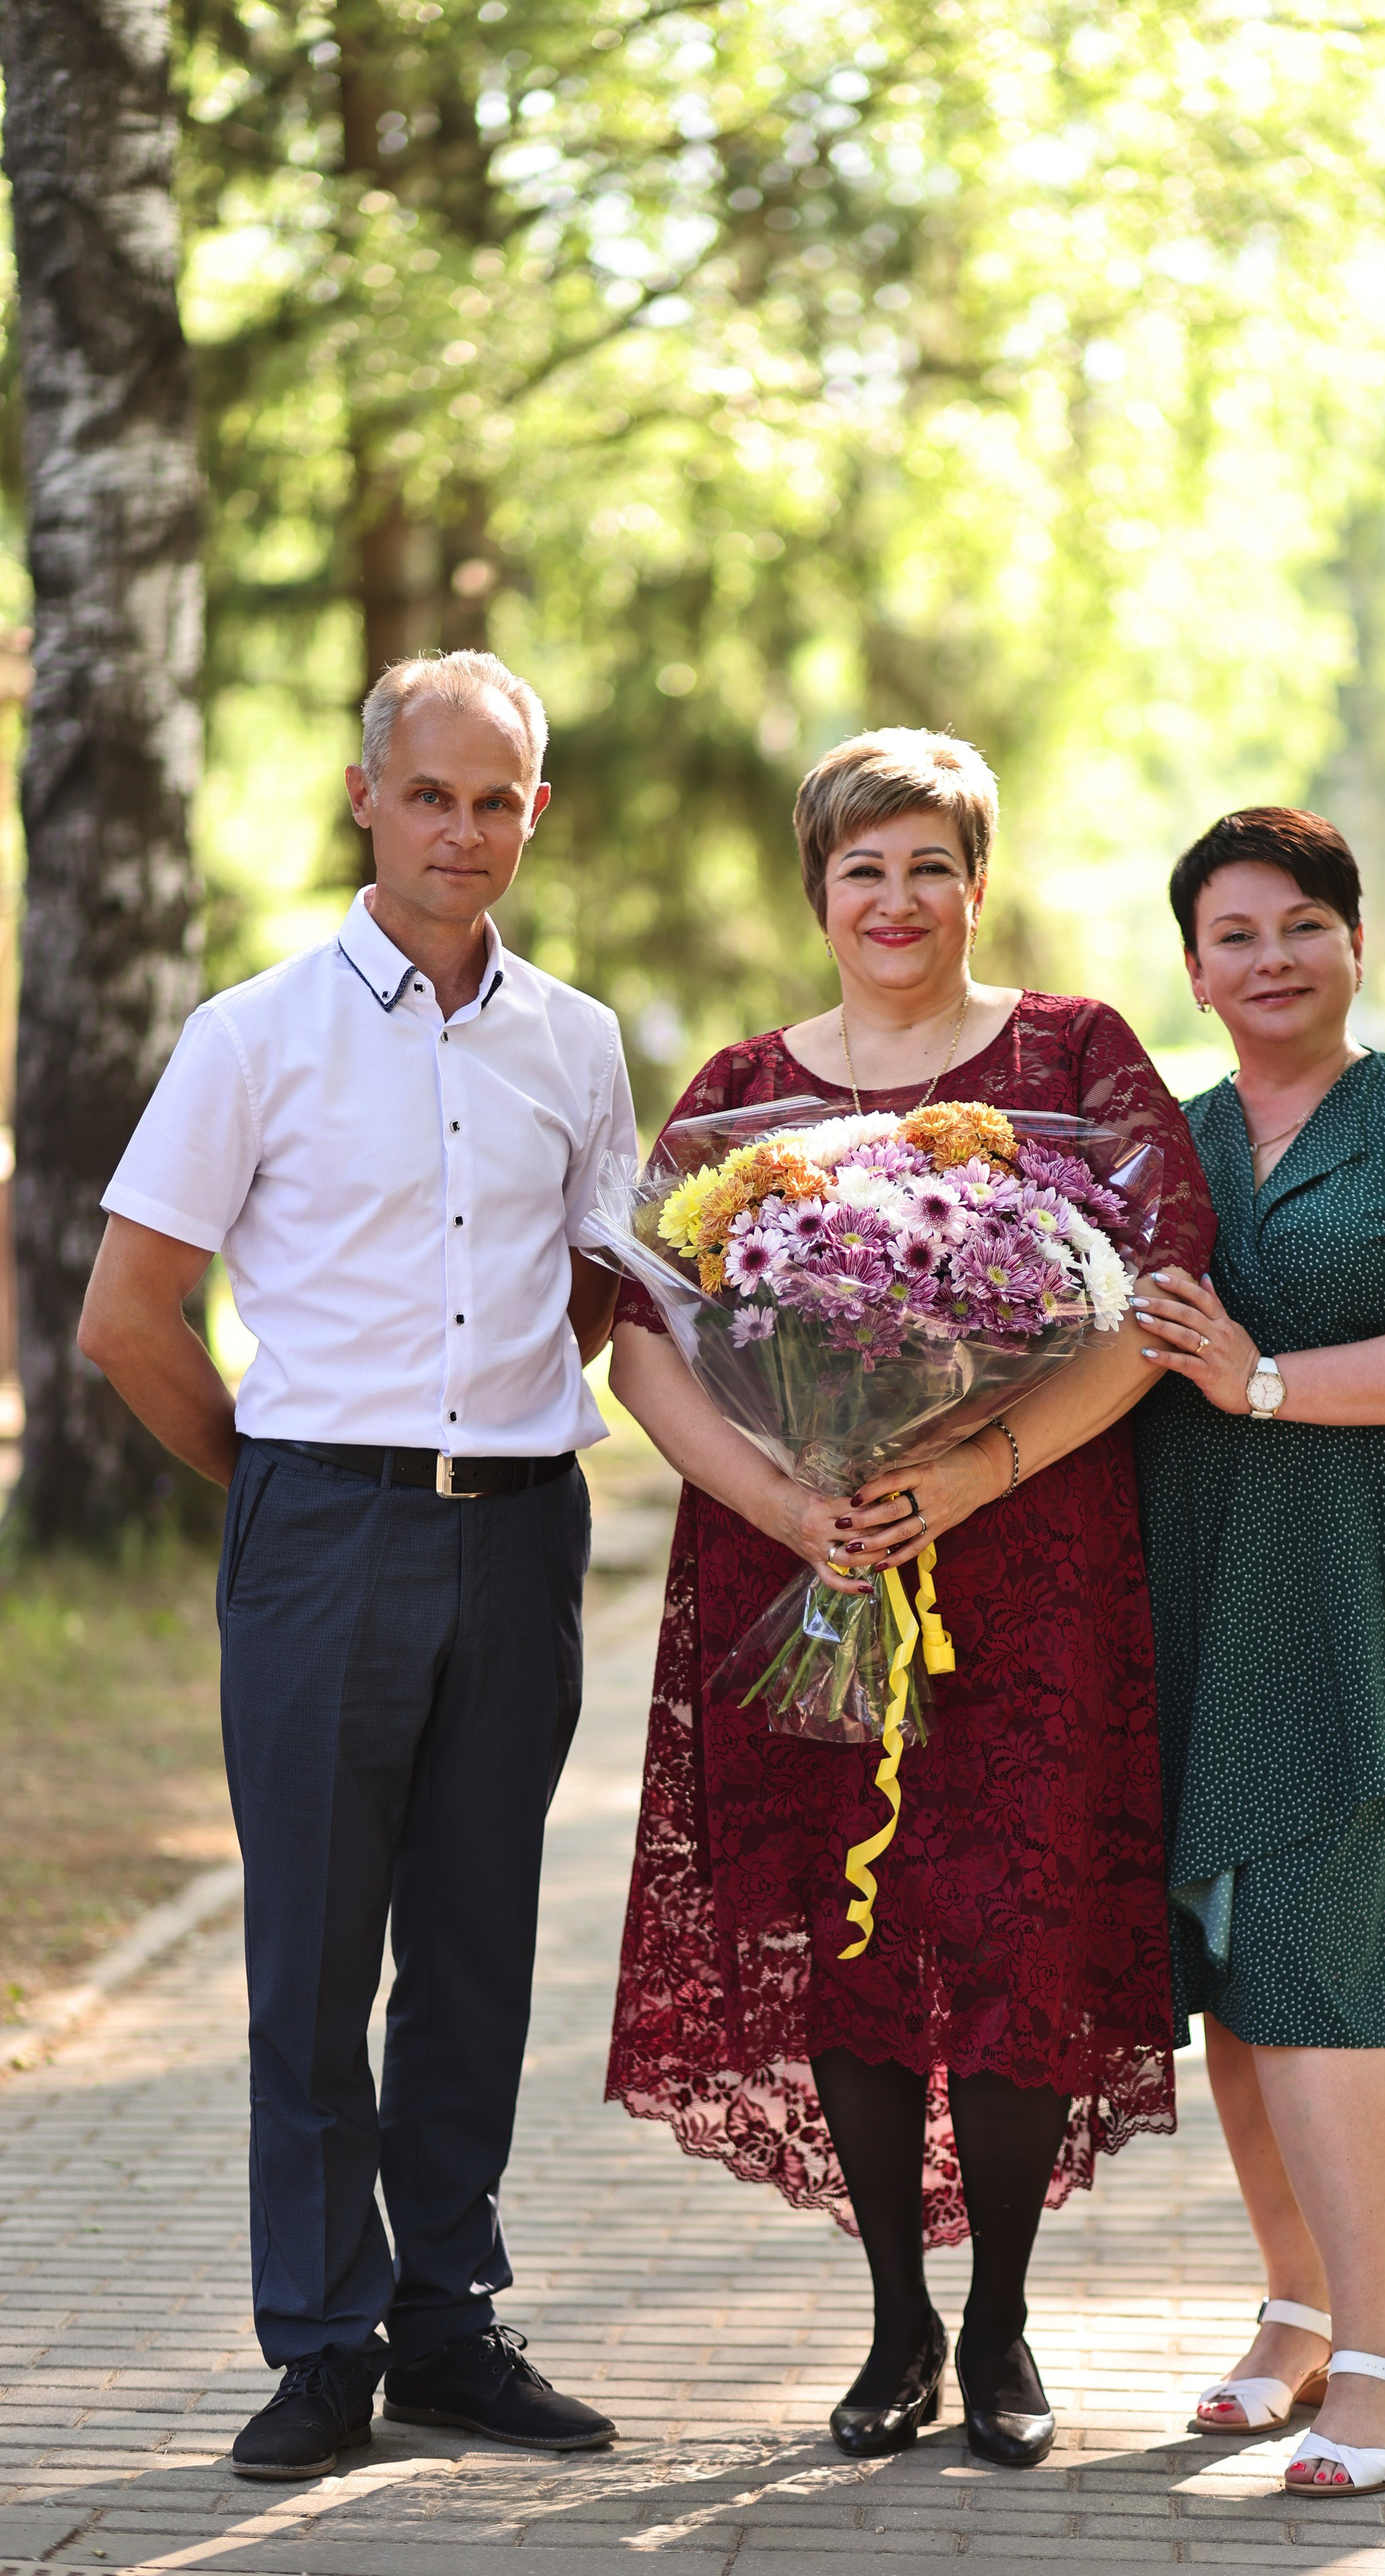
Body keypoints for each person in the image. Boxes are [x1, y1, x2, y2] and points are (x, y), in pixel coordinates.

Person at [603, 728, 1216, 2468]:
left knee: (1017, 1933)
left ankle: (1002, 2321)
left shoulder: (1073, 1057)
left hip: (1028, 1573)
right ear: (818, 890)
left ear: (976, 885)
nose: (896, 899)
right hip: (799, 1565)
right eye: (862, 868)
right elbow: (642, 1342)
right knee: (848, 1947)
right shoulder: (738, 1093)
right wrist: (793, 1506)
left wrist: (967, 1472)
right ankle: (897, 2324)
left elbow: (1155, 1304)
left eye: (929, 866)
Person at [77, 651, 635, 2479]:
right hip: (322, 1533)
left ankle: (448, 2328)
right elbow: (127, 1315)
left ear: (533, 815)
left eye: (497, 801)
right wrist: (282, 1481)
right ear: (364, 798)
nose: (462, 831)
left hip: (522, 1537)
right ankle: (321, 2343)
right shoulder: (253, 1036)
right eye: (430, 795)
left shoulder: (578, 1042)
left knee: (474, 1953)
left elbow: (600, 1284)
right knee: (313, 1963)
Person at [1130, 806, 1385, 2499]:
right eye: (1232, 934)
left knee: (1308, 1967)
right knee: (1232, 1983)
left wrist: (1260, 1380)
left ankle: (1380, 2359)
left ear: (1353, 940)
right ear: (1192, 970)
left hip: (1355, 1597)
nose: (1271, 958)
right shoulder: (1162, 1141)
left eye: (1301, 923)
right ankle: (1294, 2311)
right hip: (1185, 1593)